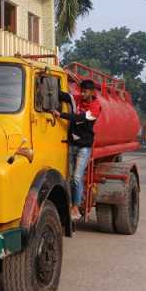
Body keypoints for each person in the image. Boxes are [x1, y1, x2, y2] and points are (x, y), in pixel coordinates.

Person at [52, 79, 101, 220]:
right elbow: (63, 96)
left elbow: (79, 117)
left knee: (77, 178)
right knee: (70, 177)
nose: (82, 93)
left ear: (92, 92)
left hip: (84, 147)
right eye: (81, 91)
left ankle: (75, 208)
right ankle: (69, 206)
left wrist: (61, 114)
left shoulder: (96, 106)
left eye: (85, 91)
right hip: (72, 144)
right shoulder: (77, 99)